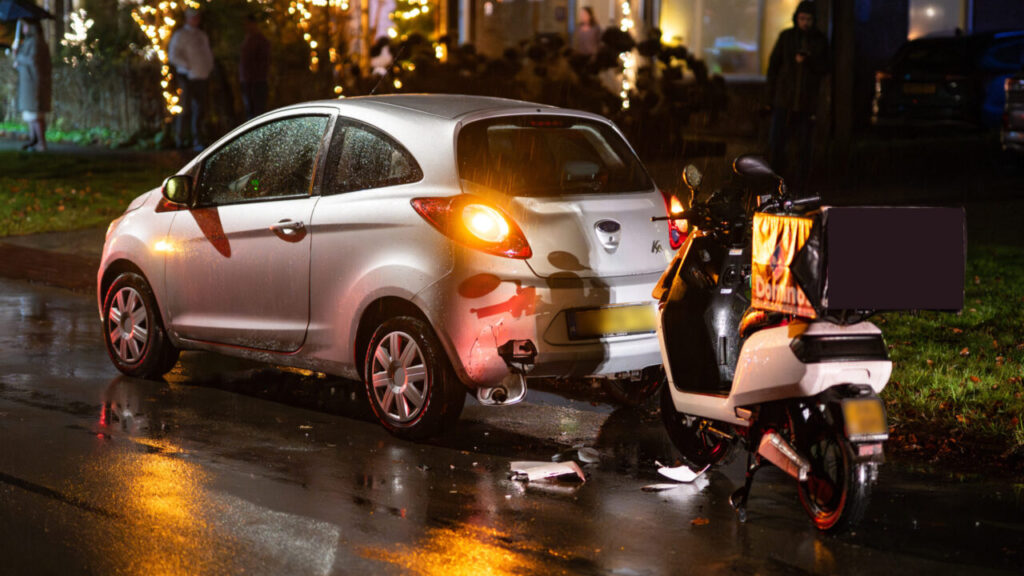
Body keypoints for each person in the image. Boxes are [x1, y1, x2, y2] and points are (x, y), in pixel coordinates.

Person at [765, 0, 828, 190]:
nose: (805, 23)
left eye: (808, 19)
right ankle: (774, 184)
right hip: (784, 101)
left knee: (803, 148)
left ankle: (800, 185)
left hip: (806, 104)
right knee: (777, 145)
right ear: (796, 19)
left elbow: (826, 67)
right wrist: (770, 99)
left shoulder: (819, 40)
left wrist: (809, 61)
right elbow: (773, 68)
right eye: (802, 18)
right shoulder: (787, 38)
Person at [169, 8, 215, 150]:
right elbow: (173, 55)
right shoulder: (180, 35)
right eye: (193, 18)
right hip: (187, 76)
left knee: (199, 109)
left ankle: (197, 139)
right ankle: (181, 138)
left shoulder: (201, 35)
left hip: (201, 76)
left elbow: (207, 54)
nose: (196, 21)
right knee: (186, 108)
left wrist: (208, 68)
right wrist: (186, 65)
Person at [13, 19, 52, 152]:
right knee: (31, 113)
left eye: (25, 26)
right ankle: (34, 140)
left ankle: (41, 143)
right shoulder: (31, 41)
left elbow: (32, 60)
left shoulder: (36, 42)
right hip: (29, 82)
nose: (23, 29)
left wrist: (19, 57)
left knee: (36, 114)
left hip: (34, 83)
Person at [239, 14, 271, 120]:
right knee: (250, 110)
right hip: (248, 81)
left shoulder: (259, 41)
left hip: (256, 81)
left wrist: (255, 77)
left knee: (257, 111)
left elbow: (262, 62)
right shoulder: (248, 39)